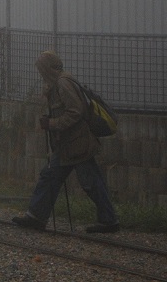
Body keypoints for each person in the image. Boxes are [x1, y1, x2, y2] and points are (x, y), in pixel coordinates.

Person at [12, 50, 120, 233]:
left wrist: (51, 123)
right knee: (50, 177)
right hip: (67, 146)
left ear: (48, 69)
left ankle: (109, 220)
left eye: (41, 70)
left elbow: (75, 112)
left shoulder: (63, 83)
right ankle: (36, 216)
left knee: (91, 183)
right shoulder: (57, 84)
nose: (40, 75)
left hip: (78, 144)